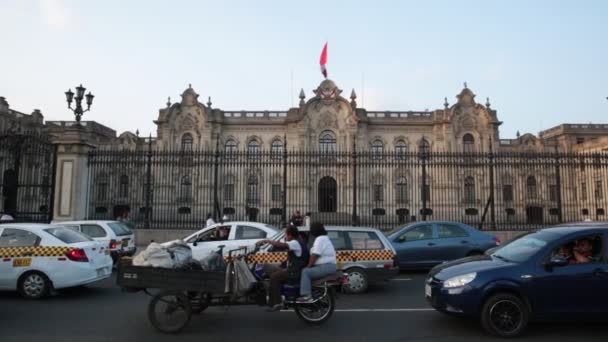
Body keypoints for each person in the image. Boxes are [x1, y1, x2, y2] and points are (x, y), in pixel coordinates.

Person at [256, 226, 309, 312]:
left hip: (294, 272)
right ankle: (269, 295)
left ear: (291, 235)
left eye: (286, 234)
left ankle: (277, 303)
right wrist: (281, 266)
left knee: (274, 277)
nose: (285, 236)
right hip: (291, 269)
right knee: (265, 266)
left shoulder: (295, 242)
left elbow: (281, 245)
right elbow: (291, 258)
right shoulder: (296, 242)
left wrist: (266, 241)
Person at [297, 222, 337, 303]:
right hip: (329, 266)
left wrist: (308, 266)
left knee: (306, 272)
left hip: (326, 266)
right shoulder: (325, 238)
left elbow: (315, 254)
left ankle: (306, 296)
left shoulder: (320, 239)